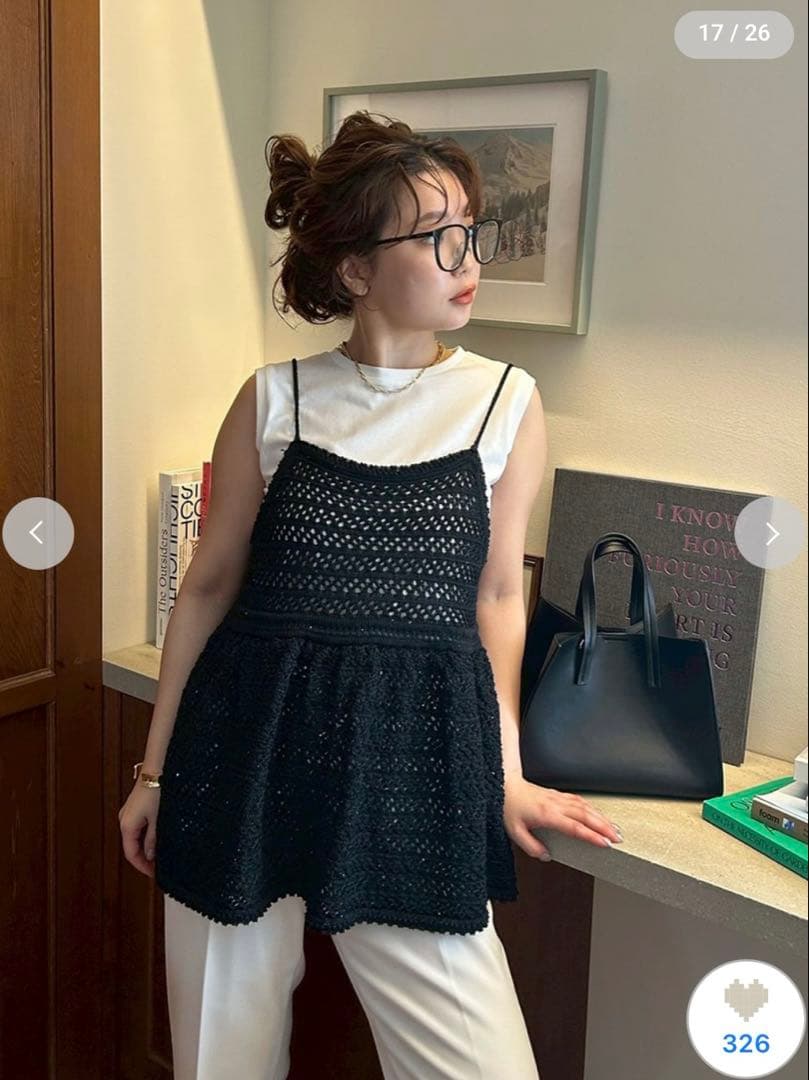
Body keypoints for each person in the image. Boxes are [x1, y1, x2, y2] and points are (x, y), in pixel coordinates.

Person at [118, 110, 623, 1080]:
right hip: (245, 749)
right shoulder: (274, 398)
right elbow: (209, 586)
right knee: (221, 1055)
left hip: (413, 763)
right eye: (437, 237)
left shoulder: (503, 402)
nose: (467, 258)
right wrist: (155, 773)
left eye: (470, 229)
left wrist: (505, 773)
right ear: (355, 269)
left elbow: (495, 599)